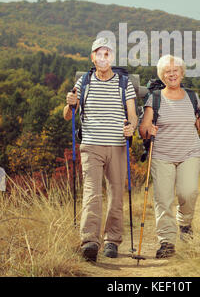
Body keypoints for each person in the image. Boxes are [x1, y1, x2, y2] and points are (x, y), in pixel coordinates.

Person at [63, 37, 137, 262]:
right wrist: (69, 103)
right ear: (92, 57)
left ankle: (112, 241)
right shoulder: (83, 82)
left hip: (117, 145)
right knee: (92, 193)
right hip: (91, 145)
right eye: (99, 53)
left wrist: (131, 128)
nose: (103, 58)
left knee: (116, 193)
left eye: (107, 53)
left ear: (111, 58)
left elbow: (132, 115)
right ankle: (89, 241)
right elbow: (68, 116)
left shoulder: (125, 83)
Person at [139, 54, 200, 259]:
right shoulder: (155, 98)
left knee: (188, 192)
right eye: (167, 72)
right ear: (162, 76)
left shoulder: (192, 96)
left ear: (182, 73)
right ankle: (167, 242)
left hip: (190, 152)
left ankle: (185, 224)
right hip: (162, 154)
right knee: (163, 199)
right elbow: (144, 129)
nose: (172, 74)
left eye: (175, 70)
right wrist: (147, 130)